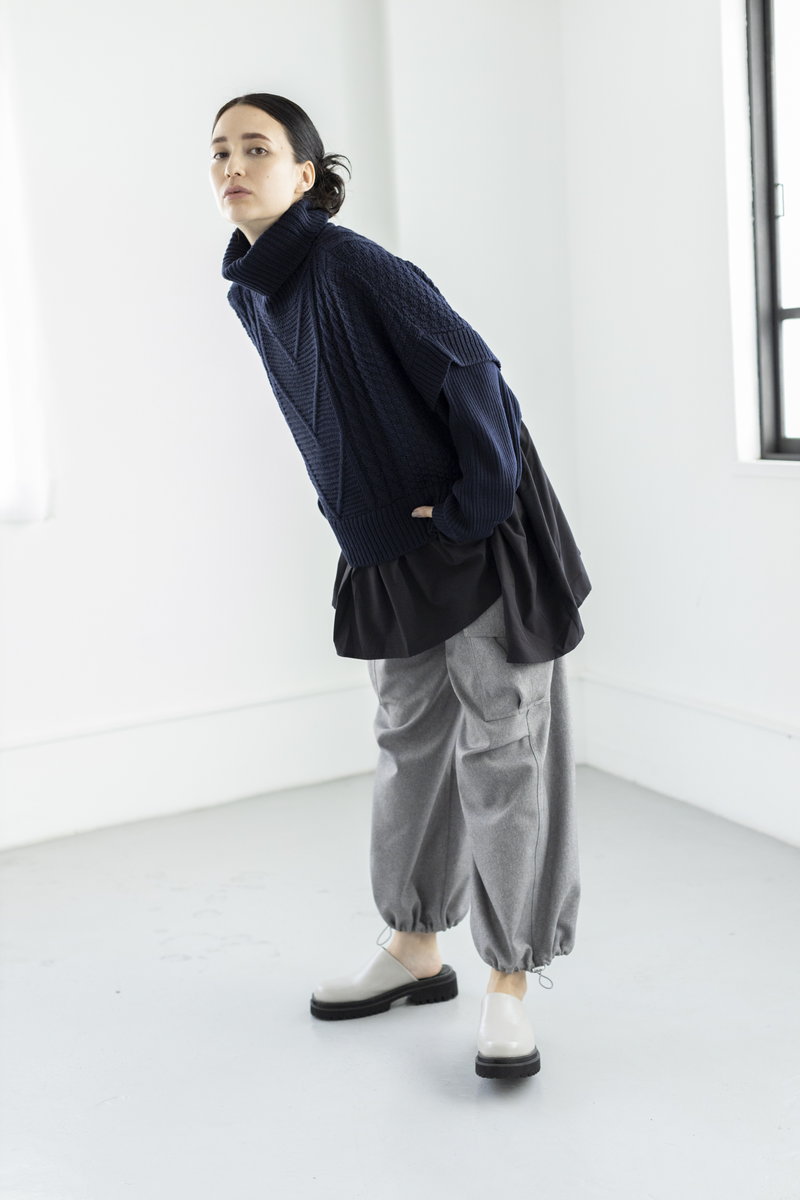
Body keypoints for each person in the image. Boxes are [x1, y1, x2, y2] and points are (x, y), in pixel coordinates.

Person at [210, 93, 591, 1080]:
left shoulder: (350, 264)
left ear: (305, 175)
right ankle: (415, 945)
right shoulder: (255, 291)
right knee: (408, 745)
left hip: (474, 537)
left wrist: (469, 510)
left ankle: (508, 980)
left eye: (256, 149)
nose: (233, 166)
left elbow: (472, 372)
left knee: (502, 751)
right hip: (387, 551)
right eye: (220, 152)